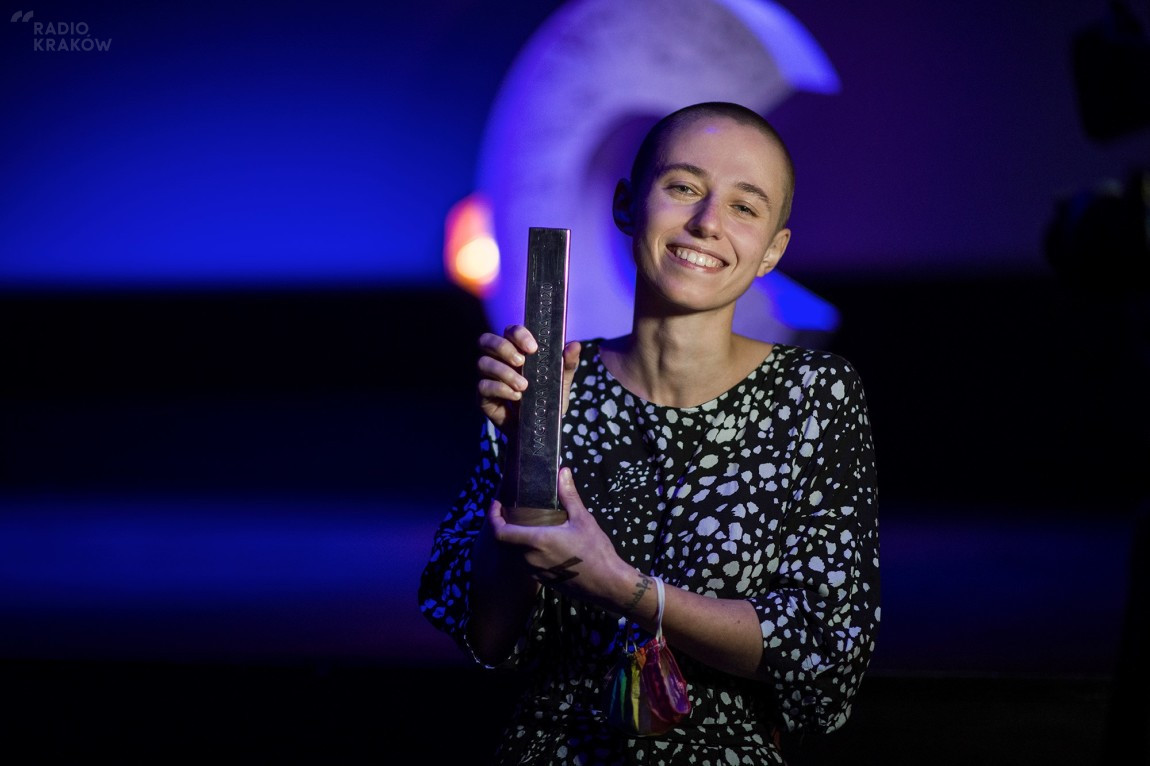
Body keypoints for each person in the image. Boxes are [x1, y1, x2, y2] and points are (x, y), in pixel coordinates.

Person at [419, 101, 880, 765]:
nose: (707, 222)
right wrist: (527, 456)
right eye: (684, 187)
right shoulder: (551, 379)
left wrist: (623, 587)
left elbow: (823, 648)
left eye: (744, 206)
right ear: (626, 204)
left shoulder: (814, 394)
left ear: (773, 250)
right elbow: (488, 636)